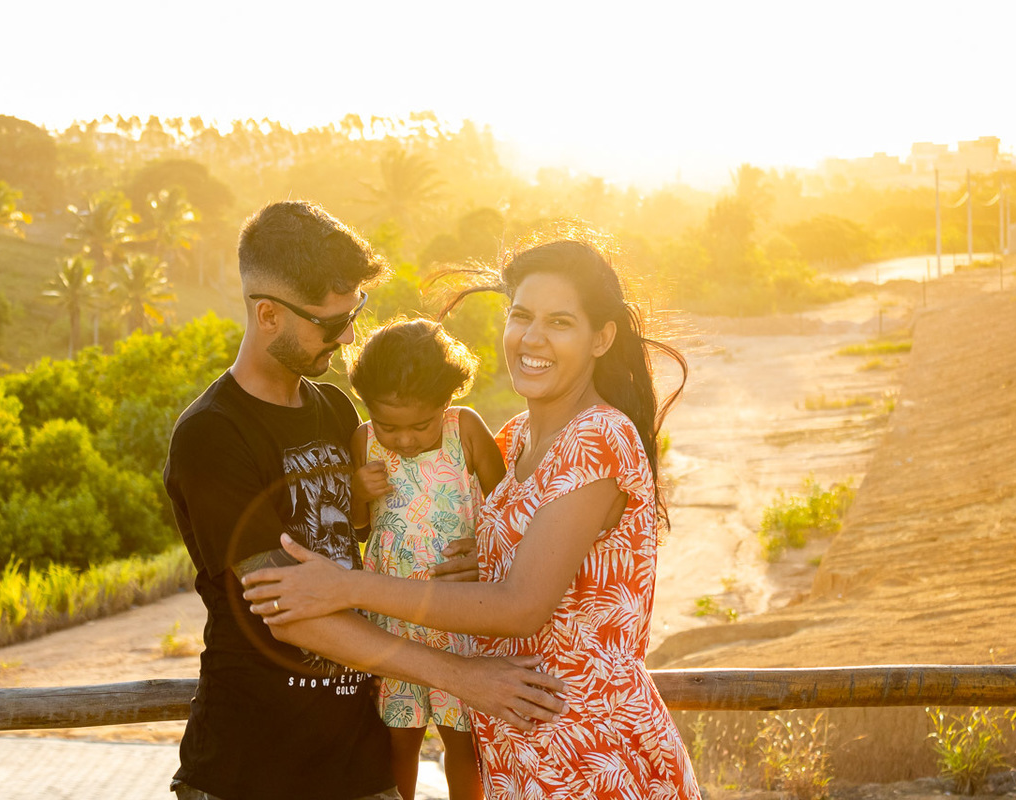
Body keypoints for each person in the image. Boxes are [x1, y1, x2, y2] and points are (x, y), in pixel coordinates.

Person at [243, 233, 701, 799]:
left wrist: (345, 586)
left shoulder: (599, 438)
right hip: (515, 750)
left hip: (587, 752)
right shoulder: (515, 440)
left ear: (601, 338)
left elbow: (520, 607)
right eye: (521, 315)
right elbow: (529, 569)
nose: (532, 337)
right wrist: (481, 559)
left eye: (560, 322)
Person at [163, 201, 566, 800]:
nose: (349, 334)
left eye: (355, 314)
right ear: (268, 314)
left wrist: (479, 557)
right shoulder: (213, 435)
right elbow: (291, 609)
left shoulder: (337, 413)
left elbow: (387, 534)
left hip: (360, 765)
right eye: (330, 323)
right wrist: (463, 677)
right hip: (251, 773)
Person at [347, 318, 505, 800]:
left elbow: (508, 514)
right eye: (390, 425)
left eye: (420, 424)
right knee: (400, 739)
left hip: (461, 619)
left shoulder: (466, 431)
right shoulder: (364, 440)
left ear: (447, 401)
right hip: (394, 625)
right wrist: (356, 490)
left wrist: (484, 551)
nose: (406, 440)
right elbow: (359, 528)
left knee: (464, 740)